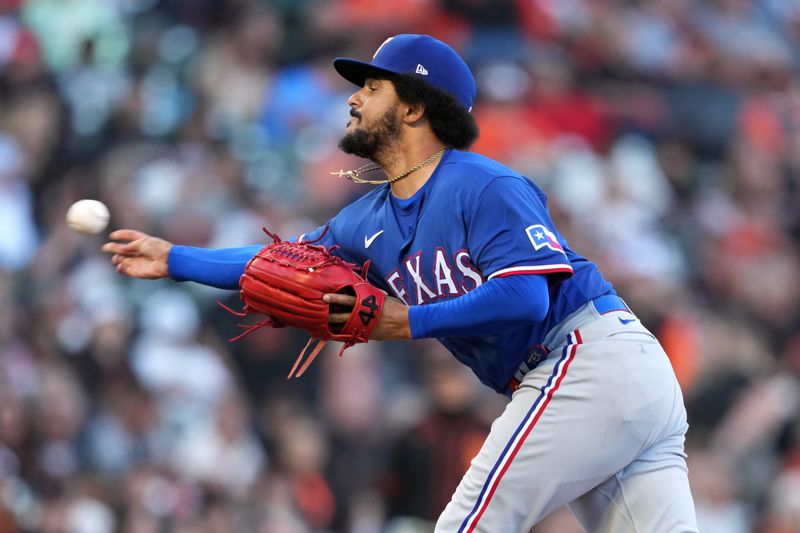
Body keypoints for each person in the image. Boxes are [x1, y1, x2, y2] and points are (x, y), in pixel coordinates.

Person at [103, 34, 698, 532]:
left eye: (372, 87)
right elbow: (275, 262)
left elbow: (526, 296)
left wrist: (408, 320)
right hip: (601, 379)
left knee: (466, 524)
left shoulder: (484, 185)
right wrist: (175, 257)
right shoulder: (364, 219)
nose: (355, 99)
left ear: (413, 108)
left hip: (588, 358)